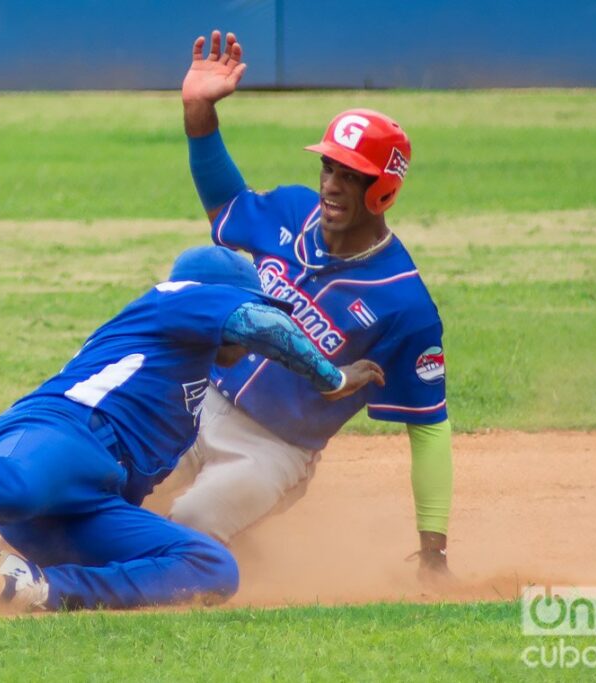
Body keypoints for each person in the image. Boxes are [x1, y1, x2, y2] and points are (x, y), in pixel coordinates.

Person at [0, 245, 384, 611]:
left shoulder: (187, 385)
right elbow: (263, 326)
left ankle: (43, 591)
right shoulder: (180, 298)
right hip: (59, 435)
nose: (245, 340)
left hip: (86, 498)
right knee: (22, 487)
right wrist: (331, 378)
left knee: (211, 566)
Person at [173, 31, 454, 582]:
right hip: (197, 399)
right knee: (112, 483)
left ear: (384, 192)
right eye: (329, 168)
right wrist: (198, 113)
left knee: (186, 523)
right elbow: (225, 202)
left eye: (352, 176)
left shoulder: (404, 303)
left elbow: (429, 427)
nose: (332, 184)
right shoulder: (292, 212)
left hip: (273, 451)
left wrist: (434, 553)